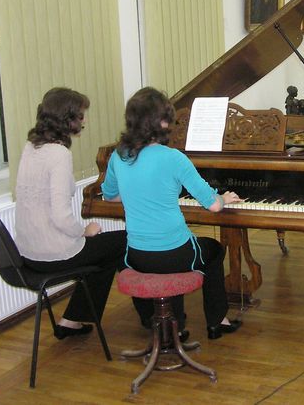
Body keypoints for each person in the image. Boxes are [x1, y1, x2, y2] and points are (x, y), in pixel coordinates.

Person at [101, 87, 243, 340]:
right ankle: (217, 321)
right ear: (162, 122)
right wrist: (225, 197)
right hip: (176, 253)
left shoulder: (118, 156)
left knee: (133, 258)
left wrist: (137, 190)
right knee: (214, 251)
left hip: (138, 255)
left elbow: (111, 196)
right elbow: (213, 205)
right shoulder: (174, 158)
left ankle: (161, 323)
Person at [15, 87, 127, 339]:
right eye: (80, 115)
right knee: (125, 240)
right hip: (53, 253)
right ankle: (150, 311)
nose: (84, 121)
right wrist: (84, 231)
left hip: (27, 253)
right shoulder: (59, 154)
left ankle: (73, 320)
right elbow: (60, 216)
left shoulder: (31, 146)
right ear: (67, 119)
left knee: (105, 254)